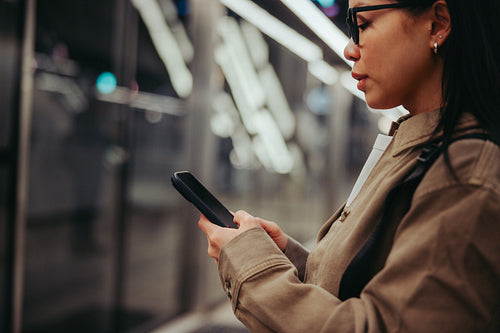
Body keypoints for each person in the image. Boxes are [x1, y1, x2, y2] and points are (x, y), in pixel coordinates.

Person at [198, 0, 500, 331]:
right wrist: (285, 259)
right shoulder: (421, 147)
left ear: (438, 24)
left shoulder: (465, 175)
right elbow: (369, 287)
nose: (349, 49)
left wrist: (251, 267)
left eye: (364, 24)